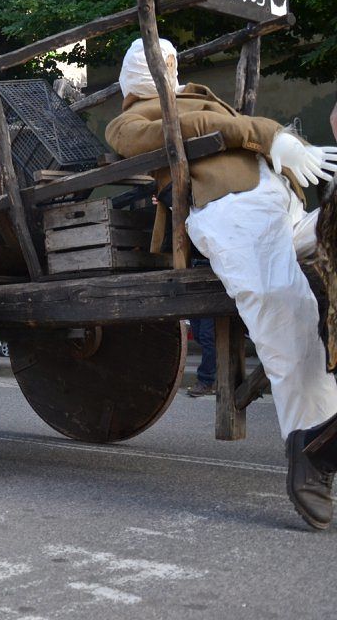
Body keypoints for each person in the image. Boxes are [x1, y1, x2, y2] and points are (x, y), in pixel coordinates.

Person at [106, 37, 337, 530]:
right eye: (158, 60)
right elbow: (181, 129)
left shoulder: (202, 94)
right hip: (229, 210)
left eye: (171, 59)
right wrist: (267, 134)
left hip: (283, 206)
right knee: (281, 299)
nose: (169, 65)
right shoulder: (129, 120)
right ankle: (311, 444)